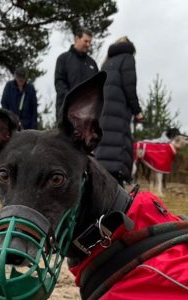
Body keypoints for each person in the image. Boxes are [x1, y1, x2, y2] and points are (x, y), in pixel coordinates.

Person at [94, 37, 142, 185]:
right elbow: (130, 86)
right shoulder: (127, 58)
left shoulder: (106, 63)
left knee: (104, 149)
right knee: (118, 149)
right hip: (119, 114)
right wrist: (137, 111)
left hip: (103, 113)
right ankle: (117, 186)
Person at [54, 27, 98, 119]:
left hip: (87, 115)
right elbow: (59, 83)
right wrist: (72, 100)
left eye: (90, 42)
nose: (88, 44)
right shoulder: (63, 59)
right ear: (77, 39)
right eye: (85, 41)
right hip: (66, 112)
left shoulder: (92, 63)